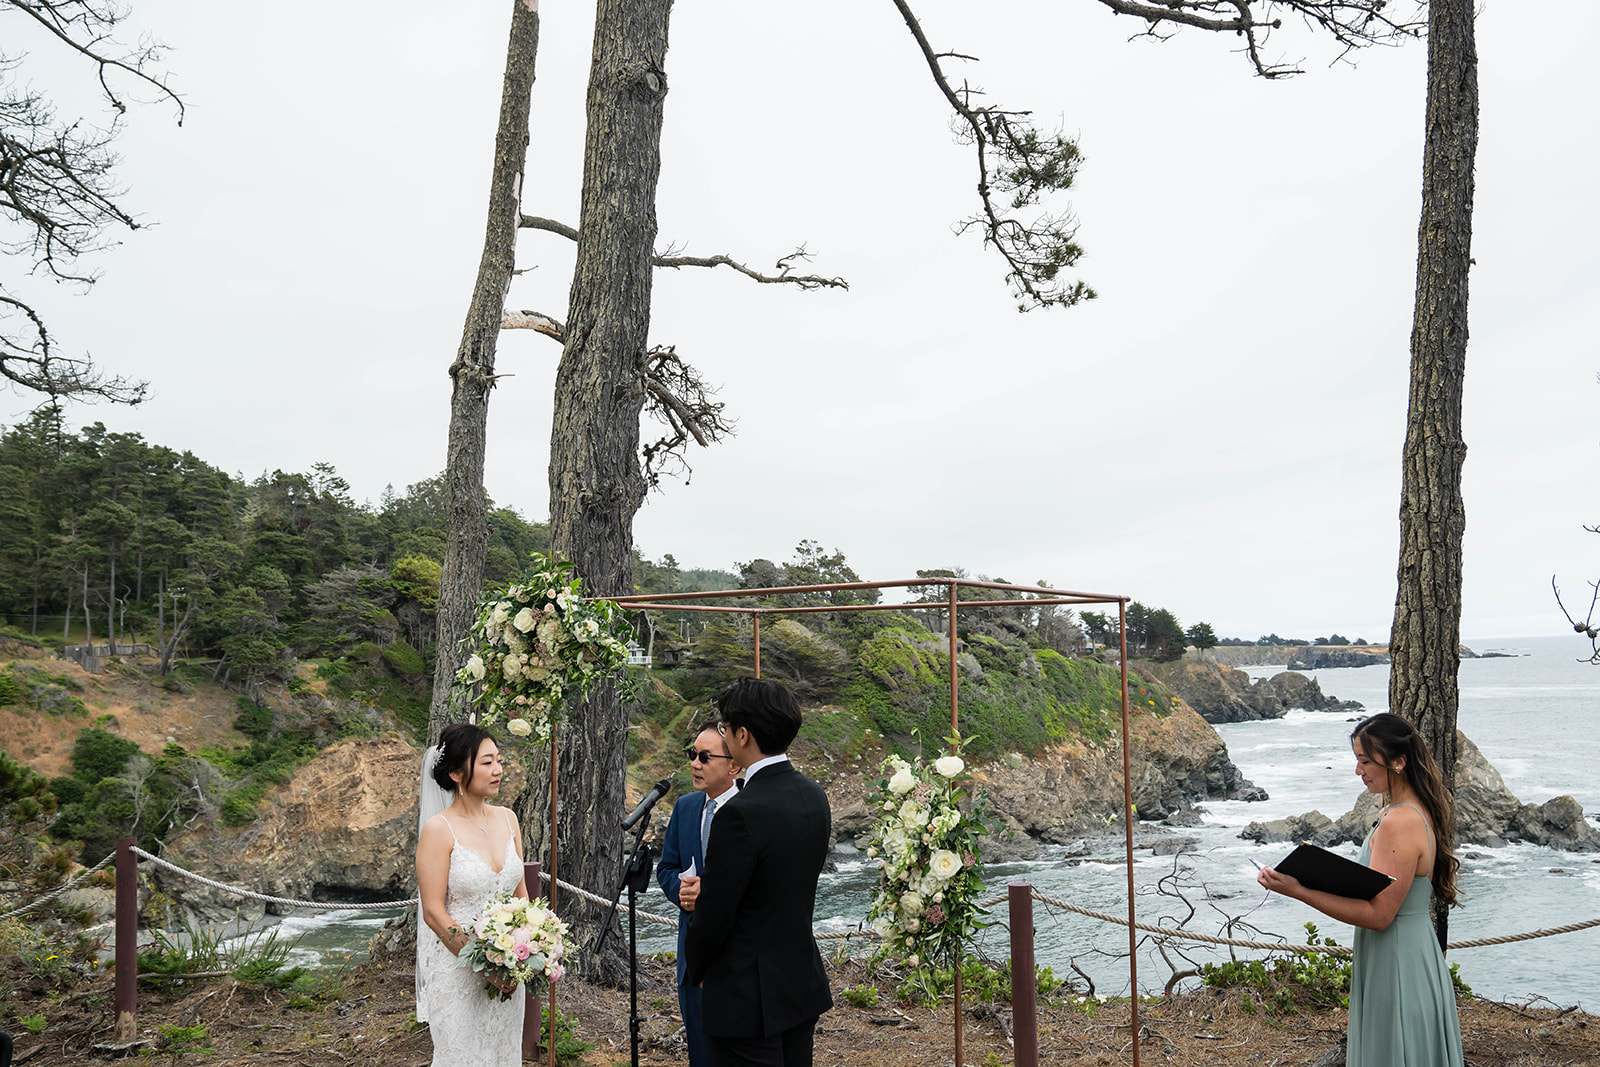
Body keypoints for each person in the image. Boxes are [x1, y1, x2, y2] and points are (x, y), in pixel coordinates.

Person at [1257, 712, 1464, 1067]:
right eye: (1357, 760)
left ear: (1398, 762)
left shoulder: (1398, 822)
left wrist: (1299, 890)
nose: (1358, 771)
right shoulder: (1410, 811)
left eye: (1366, 761)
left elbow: (1380, 915)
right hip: (1410, 952)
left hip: (1398, 959)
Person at [684, 678, 833, 1067]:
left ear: (743, 735)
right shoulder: (814, 796)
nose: (725, 735)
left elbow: (716, 909)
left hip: (746, 994)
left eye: (726, 728)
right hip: (799, 981)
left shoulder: (739, 812)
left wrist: (697, 968)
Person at [414, 724, 529, 1067]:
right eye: (486, 763)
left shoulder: (509, 820)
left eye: (499, 761)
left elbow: (520, 896)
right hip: (458, 971)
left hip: (509, 969)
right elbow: (433, 912)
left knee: (504, 1054)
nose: (498, 771)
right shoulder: (438, 830)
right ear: (457, 773)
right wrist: (484, 966)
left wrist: (534, 945)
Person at [657, 723, 744, 1067]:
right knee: (702, 1054)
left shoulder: (750, 809)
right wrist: (682, 892)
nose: (695, 763)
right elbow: (666, 867)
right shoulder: (685, 807)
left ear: (733, 765)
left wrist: (709, 892)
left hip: (738, 959)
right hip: (693, 960)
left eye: (705, 757)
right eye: (692, 754)